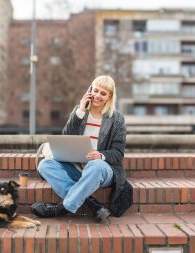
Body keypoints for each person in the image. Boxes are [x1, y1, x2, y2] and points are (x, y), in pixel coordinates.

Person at [31, 75, 132, 222]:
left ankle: (62, 209)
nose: (97, 96)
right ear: (90, 90)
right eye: (95, 91)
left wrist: (100, 155)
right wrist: (80, 112)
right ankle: (93, 204)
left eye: (103, 93)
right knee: (45, 165)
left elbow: (118, 154)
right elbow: (67, 138)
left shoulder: (117, 119)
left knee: (95, 165)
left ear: (109, 96)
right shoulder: (79, 112)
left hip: (101, 171)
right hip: (77, 169)